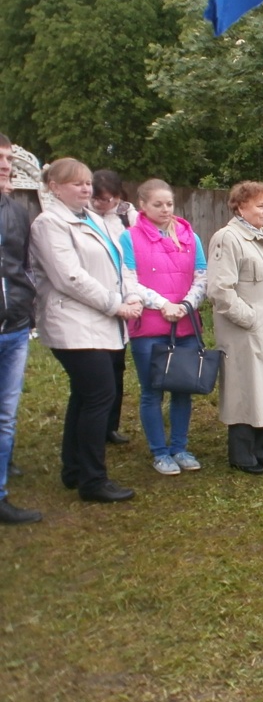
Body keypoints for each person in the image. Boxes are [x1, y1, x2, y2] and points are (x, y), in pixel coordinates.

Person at [31, 158, 142, 503]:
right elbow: (70, 277)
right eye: (75, 183)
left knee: (85, 395)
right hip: (74, 322)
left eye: (86, 183)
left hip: (102, 320)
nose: (85, 188)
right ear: (54, 187)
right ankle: (93, 480)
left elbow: (123, 260)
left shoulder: (95, 218)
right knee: (99, 395)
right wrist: (116, 304)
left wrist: (133, 295)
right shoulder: (49, 224)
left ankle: (74, 468)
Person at [119, 179, 207, 475]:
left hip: (185, 325)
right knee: (152, 391)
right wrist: (162, 304)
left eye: (169, 203)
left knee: (183, 388)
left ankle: (179, 447)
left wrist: (186, 305)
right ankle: (159, 452)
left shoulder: (189, 236)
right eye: (158, 204)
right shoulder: (129, 238)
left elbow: (202, 276)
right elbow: (129, 279)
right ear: (142, 205)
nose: (165, 209)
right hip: (149, 328)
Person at [207, 181, 263, 474]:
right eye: (260, 205)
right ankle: (241, 452)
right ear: (240, 206)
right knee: (245, 389)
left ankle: (261, 446)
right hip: (245, 331)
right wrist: (250, 318)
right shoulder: (227, 238)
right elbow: (220, 290)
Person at [0, 133, 42, 523]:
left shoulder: (15, 211)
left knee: (6, 414)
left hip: (12, 327)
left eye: (8, 158)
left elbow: (25, 267)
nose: (5, 166)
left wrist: (27, 310)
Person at [90, 169, 138, 445]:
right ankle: (96, 423)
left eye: (110, 199)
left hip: (125, 297)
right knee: (99, 365)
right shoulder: (84, 216)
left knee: (117, 364)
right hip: (97, 297)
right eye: (99, 199)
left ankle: (111, 424)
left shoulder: (126, 216)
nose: (103, 204)